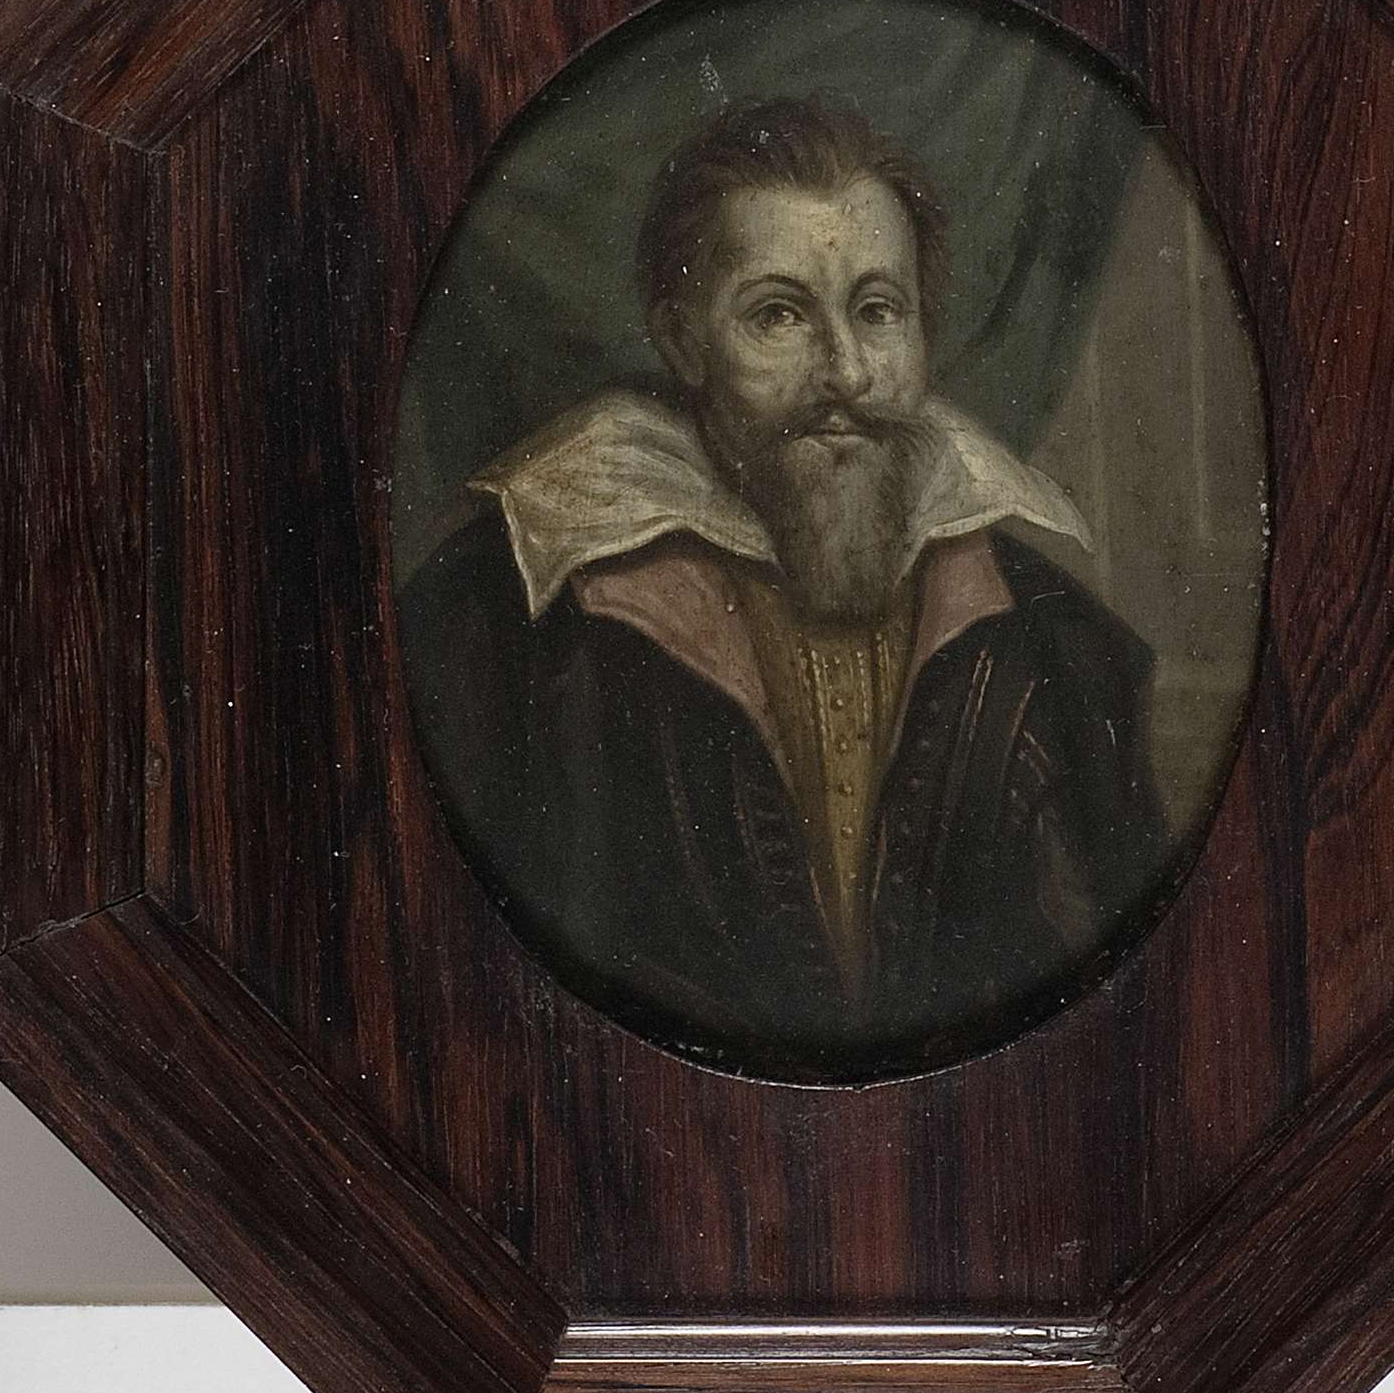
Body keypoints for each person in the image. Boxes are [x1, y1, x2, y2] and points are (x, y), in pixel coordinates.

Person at [398, 95, 1170, 1078]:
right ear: (682, 341)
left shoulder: (1054, 642)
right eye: (778, 315)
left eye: (877, 311)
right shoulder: (517, 627)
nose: (844, 371)